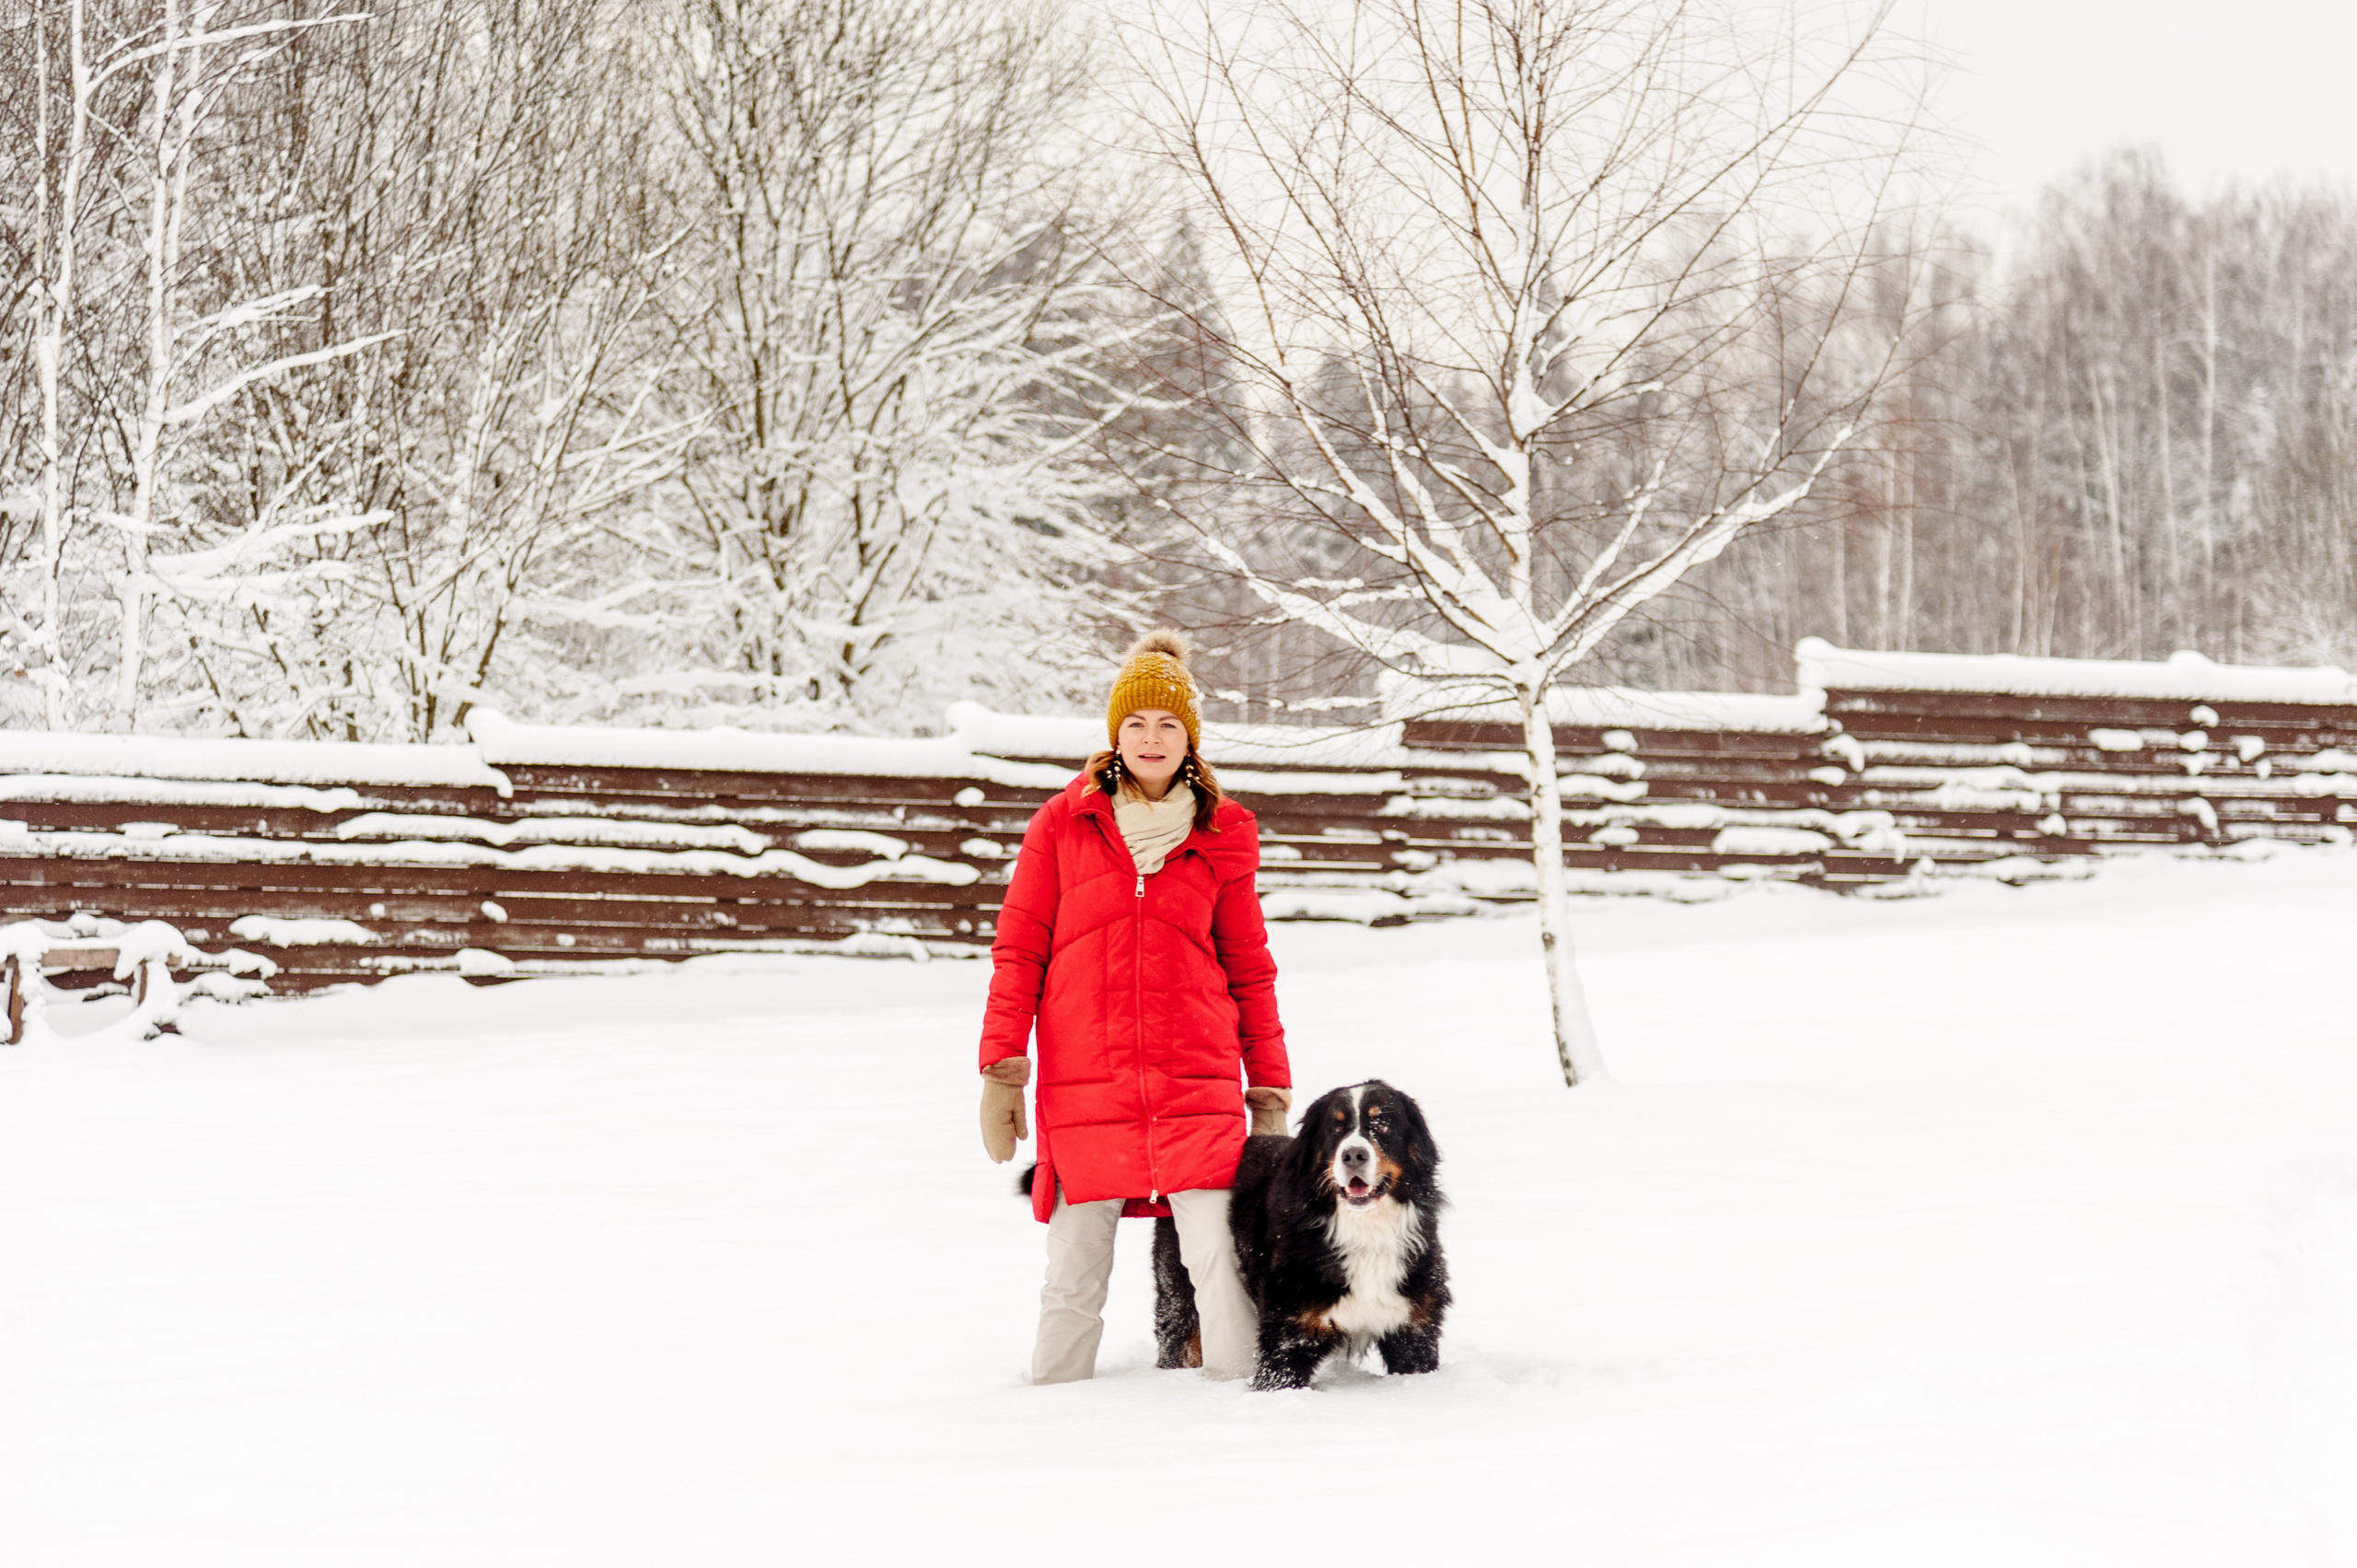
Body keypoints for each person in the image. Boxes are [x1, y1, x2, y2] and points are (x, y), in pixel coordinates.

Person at [975, 631, 1293, 1383]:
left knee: (1221, 1260)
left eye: (1169, 725)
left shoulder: (1224, 834)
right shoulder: (1063, 824)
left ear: (1191, 739)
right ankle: (1048, 1411)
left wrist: (1269, 1089)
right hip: (1088, 1083)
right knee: (1074, 1266)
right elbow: (1019, 948)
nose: (1152, 739)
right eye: (1138, 724)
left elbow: (1250, 969)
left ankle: (1253, 1423)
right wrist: (1001, 1069)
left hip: (1196, 1084)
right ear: (1116, 734)